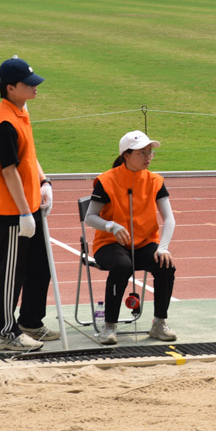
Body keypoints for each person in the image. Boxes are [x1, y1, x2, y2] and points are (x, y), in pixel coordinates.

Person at [0, 56, 59, 352]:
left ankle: (30, 321)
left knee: (40, 265)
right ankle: (5, 332)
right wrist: (24, 212)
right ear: (11, 88)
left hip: (30, 205)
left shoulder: (20, 112)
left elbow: (29, 155)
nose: (35, 87)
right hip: (13, 210)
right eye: (29, 84)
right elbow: (9, 170)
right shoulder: (4, 122)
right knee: (12, 271)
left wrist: (44, 182)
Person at [85, 131, 178, 345]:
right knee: (122, 265)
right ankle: (109, 326)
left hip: (145, 243)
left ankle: (159, 322)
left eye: (150, 152)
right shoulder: (106, 180)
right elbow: (90, 217)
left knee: (166, 265)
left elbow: (169, 218)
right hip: (109, 244)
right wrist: (111, 226)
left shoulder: (155, 181)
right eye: (142, 153)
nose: (148, 157)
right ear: (126, 155)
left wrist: (163, 247)